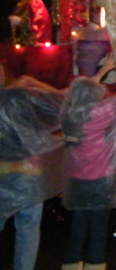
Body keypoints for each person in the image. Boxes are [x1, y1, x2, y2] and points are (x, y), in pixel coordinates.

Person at [60, 62, 116, 270]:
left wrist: (103, 70)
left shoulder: (68, 114)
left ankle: (71, 263)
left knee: (79, 224)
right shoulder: (100, 113)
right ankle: (95, 264)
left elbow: (82, 91)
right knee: (99, 227)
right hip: (100, 178)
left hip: (77, 178)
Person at [0, 75, 65, 270]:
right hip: (29, 172)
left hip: (11, 172)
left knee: (26, 225)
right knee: (28, 226)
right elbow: (59, 103)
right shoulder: (23, 96)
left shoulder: (19, 95)